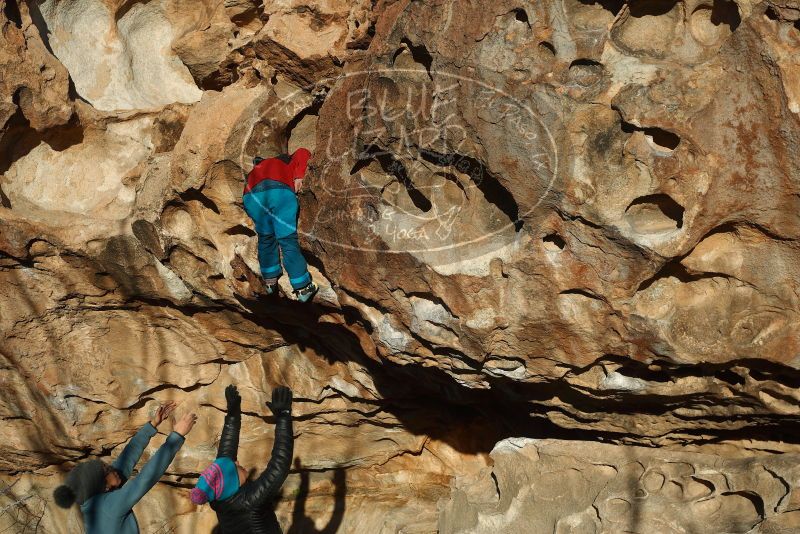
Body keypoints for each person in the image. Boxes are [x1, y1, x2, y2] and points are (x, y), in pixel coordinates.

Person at [53, 401, 197, 534]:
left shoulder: (93, 505)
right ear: (103, 486)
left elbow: (126, 460)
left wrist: (152, 425)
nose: (110, 467)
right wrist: (176, 436)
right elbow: (144, 479)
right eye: (106, 470)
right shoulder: (108, 507)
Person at [190, 385, 293, 534]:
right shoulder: (250, 500)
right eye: (234, 466)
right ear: (233, 482)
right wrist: (284, 416)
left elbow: (226, 454)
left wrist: (233, 414)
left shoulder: (218, 497)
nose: (237, 462)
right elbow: (280, 464)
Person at [243, 148, 319, 302]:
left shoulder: (257, 168)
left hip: (251, 197)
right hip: (278, 191)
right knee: (287, 240)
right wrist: (299, 176)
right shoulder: (285, 160)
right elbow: (303, 152)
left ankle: (270, 281)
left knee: (266, 237)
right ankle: (302, 287)